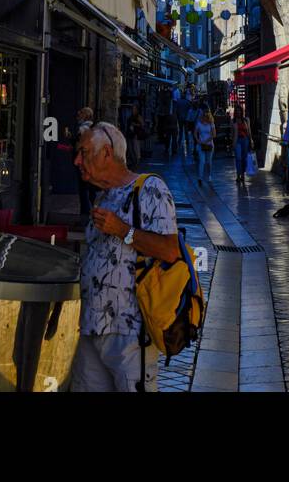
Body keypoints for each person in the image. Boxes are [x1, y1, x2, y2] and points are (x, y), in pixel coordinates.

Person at [72, 122, 179, 392]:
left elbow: (169, 250)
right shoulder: (102, 198)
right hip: (91, 327)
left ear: (106, 153)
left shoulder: (150, 189)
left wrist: (123, 231)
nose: (77, 161)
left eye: (84, 152)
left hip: (131, 332)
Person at [75, 107, 94, 216]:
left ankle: (85, 214)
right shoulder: (94, 127)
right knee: (89, 187)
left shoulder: (83, 129)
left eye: (81, 112)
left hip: (84, 160)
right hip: (91, 161)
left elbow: (79, 146)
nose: (78, 113)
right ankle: (89, 211)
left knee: (83, 188)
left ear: (86, 116)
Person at [194, 104, 216, 186]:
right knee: (202, 161)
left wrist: (207, 140)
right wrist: (198, 140)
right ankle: (200, 178)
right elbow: (195, 133)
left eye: (206, 115)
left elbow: (214, 134)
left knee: (209, 162)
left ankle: (209, 175)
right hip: (201, 145)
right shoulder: (199, 123)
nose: (205, 117)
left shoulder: (211, 124)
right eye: (204, 115)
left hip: (209, 145)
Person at [232, 104, 254, 186]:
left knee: (244, 159)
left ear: (242, 112)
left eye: (239, 111)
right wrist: (233, 144)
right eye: (237, 111)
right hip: (237, 141)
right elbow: (233, 133)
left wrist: (251, 140)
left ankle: (243, 175)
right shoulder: (233, 121)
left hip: (245, 140)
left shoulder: (246, 120)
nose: (238, 112)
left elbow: (249, 131)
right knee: (238, 159)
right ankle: (238, 175)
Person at [174, 87, 193, 157]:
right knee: (186, 130)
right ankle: (187, 141)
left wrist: (177, 116)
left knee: (180, 130)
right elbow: (190, 110)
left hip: (180, 118)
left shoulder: (178, 102)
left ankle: (179, 141)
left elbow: (176, 110)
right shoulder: (188, 102)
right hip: (186, 119)